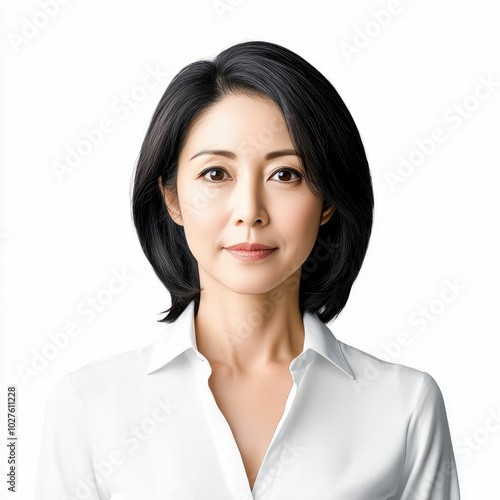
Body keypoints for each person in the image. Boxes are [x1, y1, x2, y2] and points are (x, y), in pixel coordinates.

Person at [35, 41, 460, 499]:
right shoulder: (88, 405)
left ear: (328, 201)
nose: (250, 212)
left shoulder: (405, 406)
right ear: (172, 198)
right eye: (216, 174)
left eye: (286, 174)